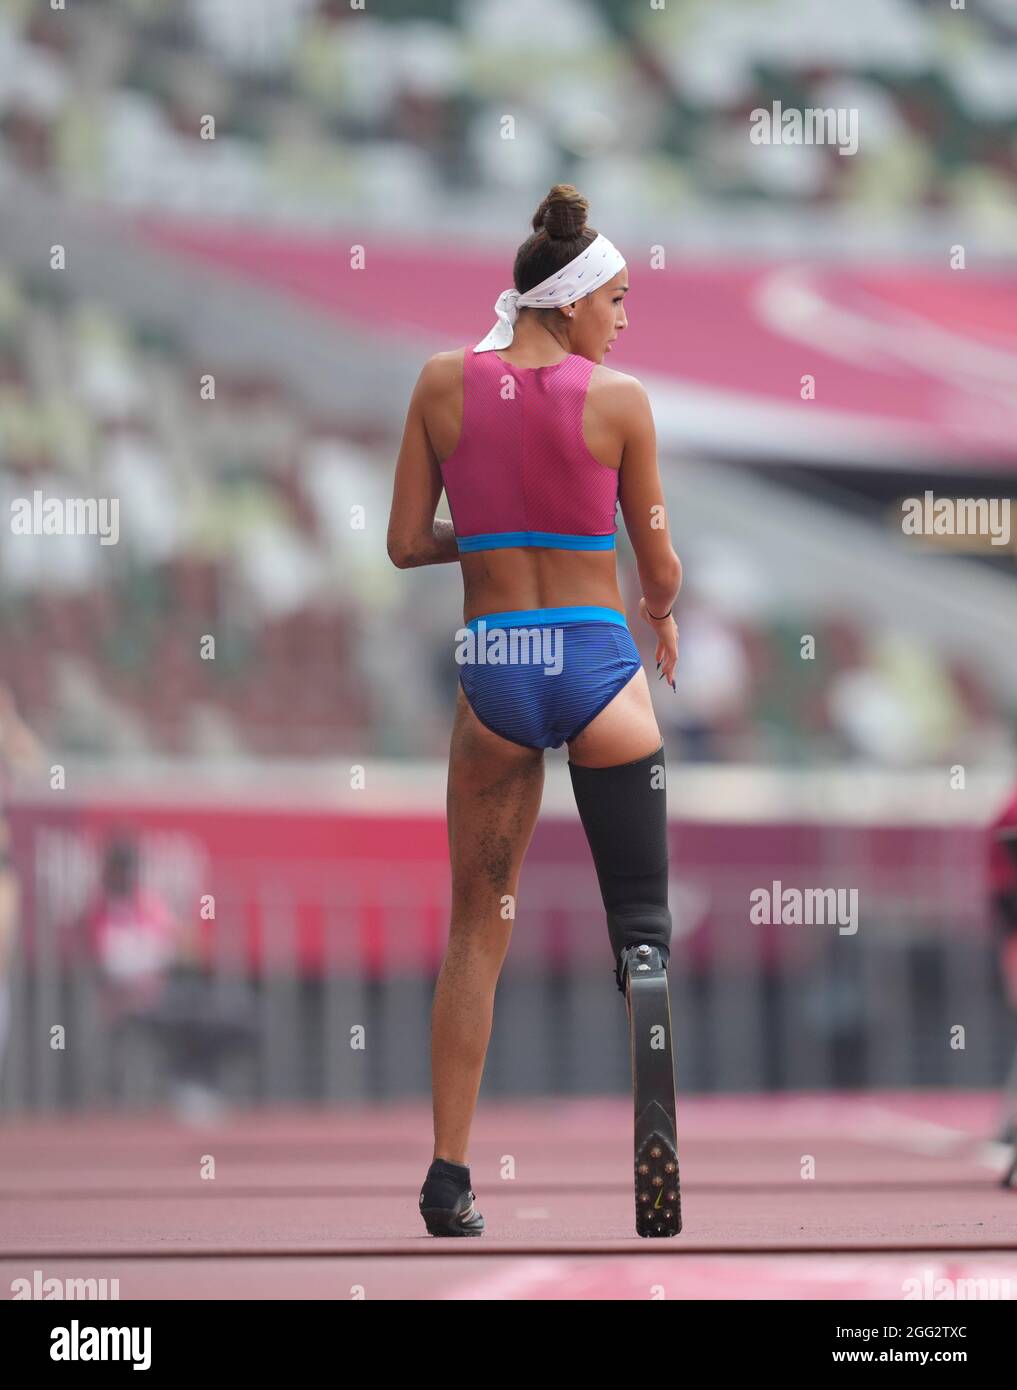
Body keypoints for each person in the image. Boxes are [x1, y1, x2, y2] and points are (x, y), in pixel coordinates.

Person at [387, 184, 681, 1236]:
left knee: (477, 927)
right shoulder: (620, 401)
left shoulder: (437, 383)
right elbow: (658, 561)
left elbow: (405, 543)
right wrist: (664, 607)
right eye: (617, 298)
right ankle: (642, 978)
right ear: (569, 302)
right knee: (639, 924)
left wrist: (494, 539)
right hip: (600, 663)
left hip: (495, 667)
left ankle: (449, 1176)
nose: (624, 318)